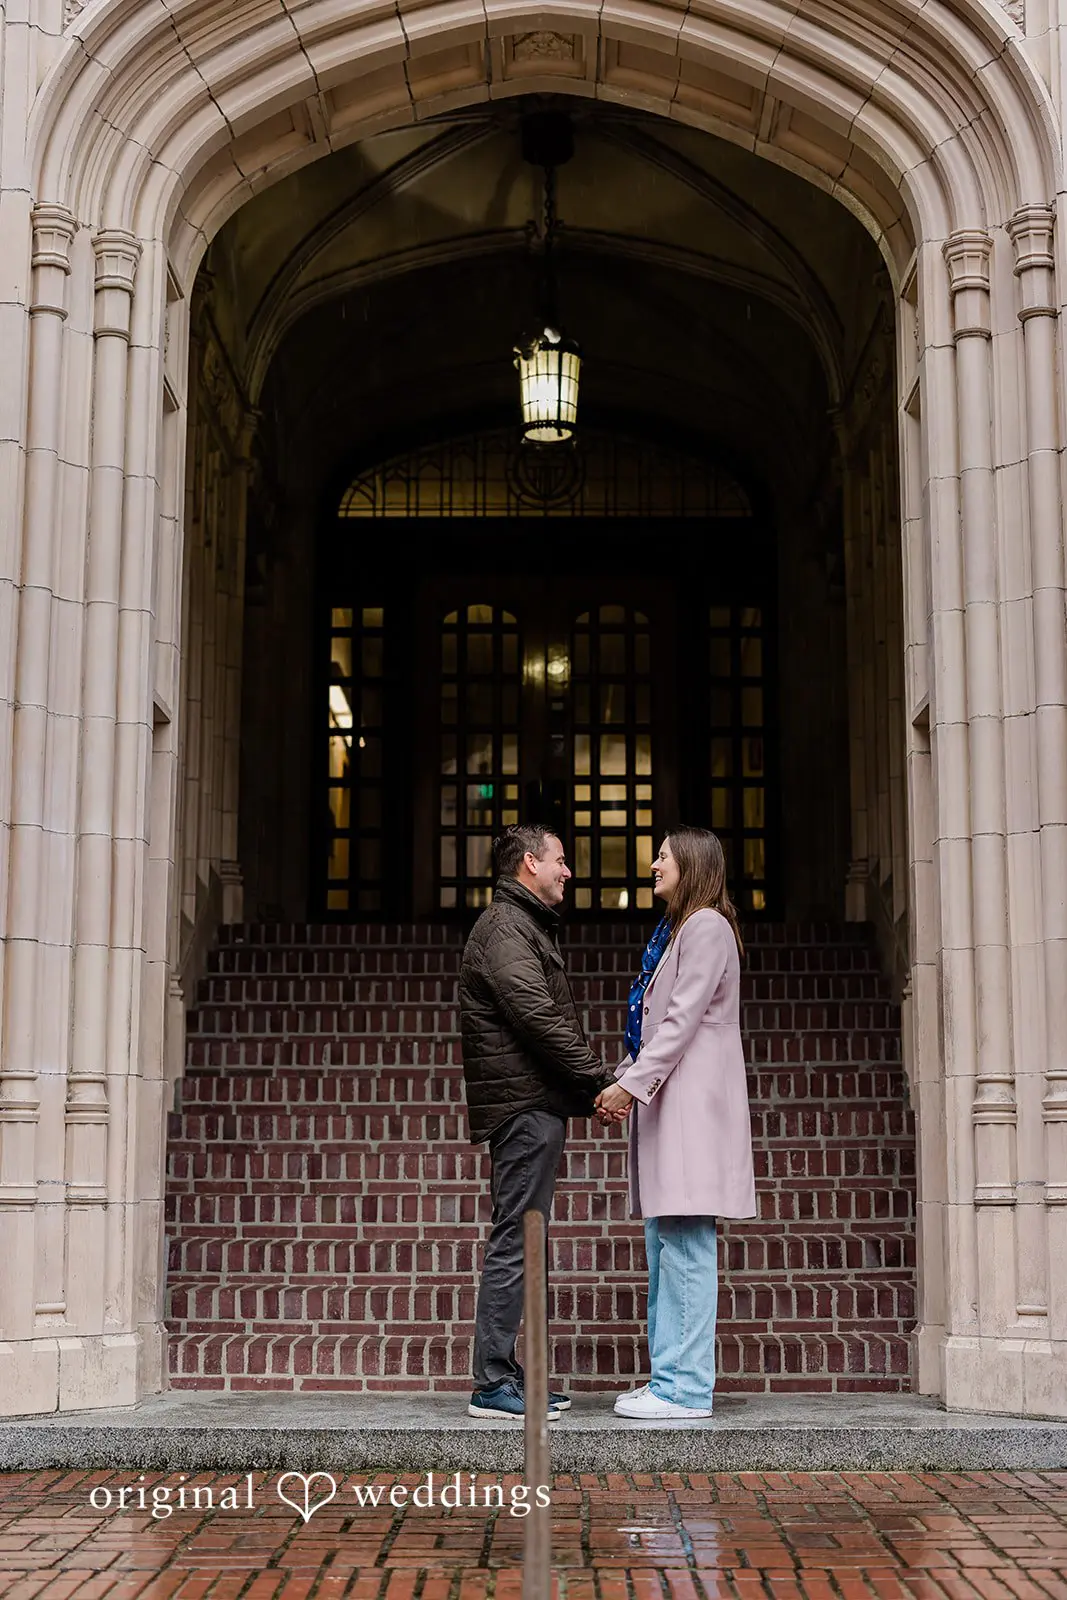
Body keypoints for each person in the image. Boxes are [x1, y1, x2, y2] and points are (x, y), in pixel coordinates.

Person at [595, 826, 757, 1420]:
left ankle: (686, 1389)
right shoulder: (680, 930)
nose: (654, 863)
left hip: (691, 1108)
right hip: (672, 1103)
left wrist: (627, 1086)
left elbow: (682, 1022)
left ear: (690, 864)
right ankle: (668, 1378)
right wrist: (622, 1078)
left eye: (663, 855)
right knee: (666, 1243)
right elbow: (657, 1024)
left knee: (685, 1244)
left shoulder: (707, 926)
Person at [459, 823, 616, 1420]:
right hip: (523, 1108)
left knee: (525, 1238)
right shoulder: (504, 929)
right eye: (560, 860)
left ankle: (507, 1376)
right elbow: (539, 1020)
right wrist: (600, 1082)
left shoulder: (520, 926)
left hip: (533, 1103)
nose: (568, 871)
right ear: (530, 863)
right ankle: (492, 1382)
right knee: (515, 1238)